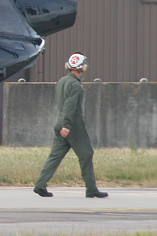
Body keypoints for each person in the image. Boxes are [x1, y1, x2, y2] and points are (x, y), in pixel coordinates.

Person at [33, 52, 108, 198]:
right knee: (86, 154)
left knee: (54, 156)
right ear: (81, 67)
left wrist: (63, 124)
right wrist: (67, 125)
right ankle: (91, 188)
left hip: (59, 121)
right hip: (72, 124)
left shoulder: (62, 81)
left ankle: (40, 184)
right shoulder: (75, 86)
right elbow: (70, 106)